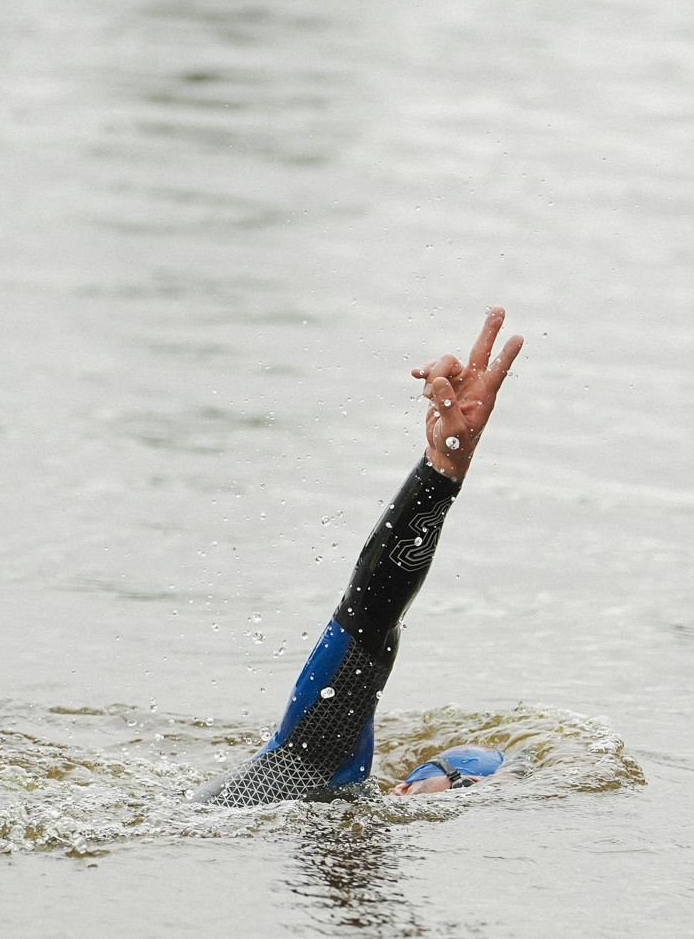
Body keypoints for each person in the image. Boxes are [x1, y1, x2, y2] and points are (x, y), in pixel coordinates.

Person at [199, 307, 524, 807]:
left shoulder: (346, 802)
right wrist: (440, 474)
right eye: (463, 785)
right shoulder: (317, 764)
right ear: (405, 786)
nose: (472, 800)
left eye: (485, 794)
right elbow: (372, 610)